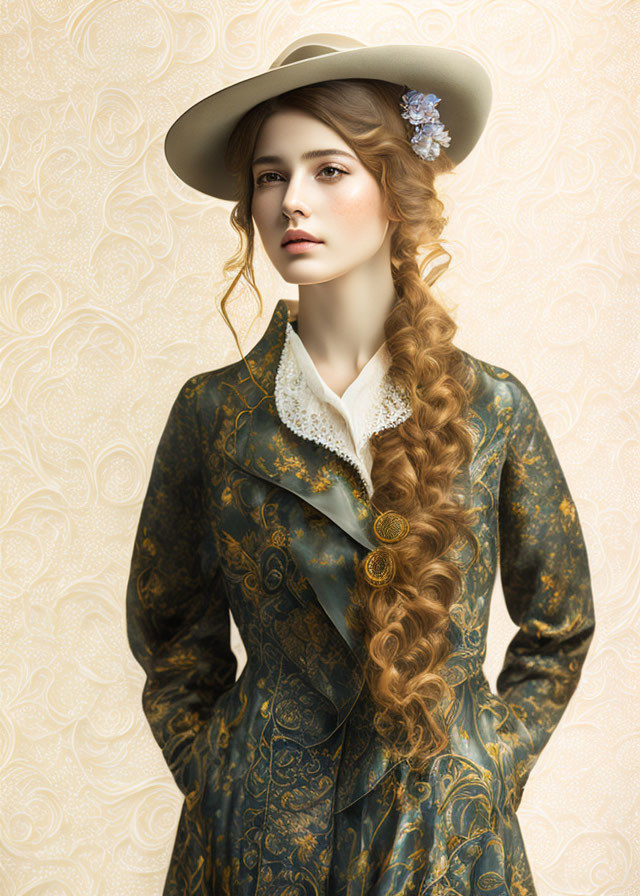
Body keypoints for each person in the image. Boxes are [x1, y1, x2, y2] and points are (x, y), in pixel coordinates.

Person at [125, 34, 596, 896]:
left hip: (445, 847)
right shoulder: (213, 414)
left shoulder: (492, 409)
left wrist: (487, 767)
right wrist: (219, 771)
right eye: (271, 175)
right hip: (255, 850)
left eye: (329, 170)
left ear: (397, 191)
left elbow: (559, 626)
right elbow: (170, 635)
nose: (292, 201)